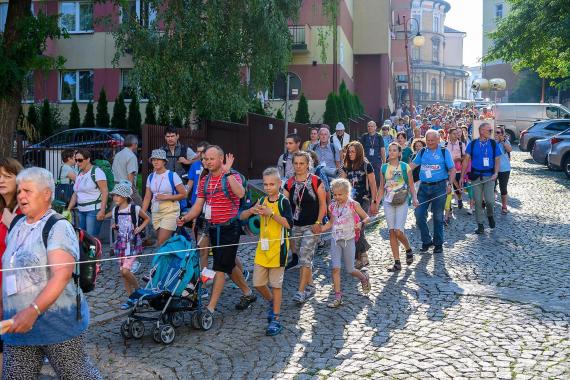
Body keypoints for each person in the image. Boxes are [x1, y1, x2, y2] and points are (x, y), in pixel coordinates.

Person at [2, 167, 102, 379]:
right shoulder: (17, 224)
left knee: (77, 374)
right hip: (17, 327)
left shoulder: (57, 226)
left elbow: (62, 275)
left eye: (27, 190)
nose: (21, 195)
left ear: (47, 193)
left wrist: (33, 310)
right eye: (19, 191)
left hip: (56, 325)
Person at [177, 146, 257, 315]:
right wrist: (186, 218)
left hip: (230, 228)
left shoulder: (232, 175)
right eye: (205, 159)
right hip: (213, 228)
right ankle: (248, 293)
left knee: (220, 267)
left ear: (221, 159)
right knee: (229, 264)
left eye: (211, 159)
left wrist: (227, 173)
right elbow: (198, 206)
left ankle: (210, 307)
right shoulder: (204, 180)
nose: (207, 162)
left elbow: (241, 193)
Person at [239, 167, 293, 336]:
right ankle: (271, 301)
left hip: (279, 250)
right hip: (263, 249)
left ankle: (276, 319)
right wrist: (251, 211)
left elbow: (289, 224)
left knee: (276, 285)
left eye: (272, 184)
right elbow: (242, 217)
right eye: (265, 184)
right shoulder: (261, 199)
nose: (268, 187)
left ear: (279, 184)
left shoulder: (284, 202)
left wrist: (271, 214)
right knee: (258, 283)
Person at [283, 151, 326, 304]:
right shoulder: (289, 183)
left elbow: (323, 204)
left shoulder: (316, 181)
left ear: (308, 164)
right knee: (305, 258)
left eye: (302, 163)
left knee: (304, 258)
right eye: (296, 163)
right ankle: (311, 286)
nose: (299, 166)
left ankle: (301, 292)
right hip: (296, 226)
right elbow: (284, 204)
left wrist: (319, 222)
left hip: (311, 226)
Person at [321, 178, 371, 308]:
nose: (337, 197)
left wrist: (361, 223)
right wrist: (319, 229)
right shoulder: (332, 206)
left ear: (347, 193)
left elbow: (367, 217)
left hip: (348, 240)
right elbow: (331, 223)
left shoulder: (353, 204)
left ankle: (363, 278)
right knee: (335, 268)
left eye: (340, 194)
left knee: (350, 269)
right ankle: (338, 297)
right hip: (335, 240)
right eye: (335, 194)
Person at [409, 130, 457, 254]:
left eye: (432, 140)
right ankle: (426, 240)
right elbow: (412, 166)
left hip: (439, 187)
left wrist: (450, 184)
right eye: (428, 140)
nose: (430, 143)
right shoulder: (422, 151)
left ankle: (438, 243)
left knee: (437, 217)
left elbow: (452, 170)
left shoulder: (444, 151)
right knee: (419, 214)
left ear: (438, 140)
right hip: (424, 187)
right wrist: (399, 171)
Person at [106, 182, 150, 309]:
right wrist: (115, 227)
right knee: (123, 272)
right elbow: (119, 225)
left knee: (126, 270)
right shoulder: (115, 210)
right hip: (121, 244)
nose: (114, 198)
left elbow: (147, 219)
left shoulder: (134, 209)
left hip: (132, 243)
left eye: (117, 196)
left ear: (125, 196)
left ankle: (138, 291)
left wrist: (139, 228)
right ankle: (131, 297)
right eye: (114, 195)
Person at [377, 142, 419, 271]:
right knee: (391, 231)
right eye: (390, 150)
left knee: (398, 231)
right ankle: (397, 262)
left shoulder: (405, 167)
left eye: (394, 150)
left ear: (399, 153)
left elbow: (411, 185)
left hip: (402, 201)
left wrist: (415, 198)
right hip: (388, 202)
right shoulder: (384, 168)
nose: (391, 152)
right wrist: (376, 203)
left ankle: (408, 248)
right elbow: (381, 188)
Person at [0, 158, 23, 369]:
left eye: (7, 176)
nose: (1, 180)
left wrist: (12, 222)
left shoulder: (22, 209)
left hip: (13, 282)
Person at [461, 122, 502, 234]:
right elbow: (466, 160)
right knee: (478, 202)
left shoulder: (493, 144)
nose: (491, 132)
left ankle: (490, 215)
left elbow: (498, 159)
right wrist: (462, 176)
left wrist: (496, 173)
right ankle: (480, 225)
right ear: (481, 131)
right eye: (489, 130)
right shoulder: (473, 144)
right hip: (476, 176)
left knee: (489, 201)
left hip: (489, 176)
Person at [142, 149, 187, 247]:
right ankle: (172, 260)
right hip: (156, 211)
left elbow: (184, 194)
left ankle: (160, 262)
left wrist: (166, 197)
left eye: (159, 159)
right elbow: (147, 196)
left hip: (170, 210)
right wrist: (142, 213)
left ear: (164, 161)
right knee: (165, 243)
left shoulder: (172, 175)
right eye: (153, 159)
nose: (156, 161)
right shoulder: (150, 177)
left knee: (161, 242)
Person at [67, 149, 108, 237]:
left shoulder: (97, 172)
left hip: (94, 209)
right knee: (83, 237)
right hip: (81, 210)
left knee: (91, 238)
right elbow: (76, 193)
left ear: (88, 159)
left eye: (80, 160)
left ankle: (94, 251)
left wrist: (102, 210)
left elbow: (105, 191)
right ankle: (88, 251)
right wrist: (68, 209)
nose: (77, 163)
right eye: (76, 160)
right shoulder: (79, 173)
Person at [187, 142, 210, 272]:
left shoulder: (213, 167)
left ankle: (240, 271)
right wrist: (183, 193)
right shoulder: (195, 165)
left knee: (222, 250)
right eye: (198, 152)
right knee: (201, 247)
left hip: (213, 210)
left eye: (202, 152)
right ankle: (203, 282)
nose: (199, 155)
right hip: (197, 206)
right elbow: (190, 183)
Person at [112, 135, 141, 205]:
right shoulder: (131, 156)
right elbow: (131, 174)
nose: (137, 146)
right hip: (126, 185)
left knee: (118, 208)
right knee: (140, 206)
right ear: (134, 144)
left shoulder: (118, 154)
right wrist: (130, 189)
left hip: (116, 185)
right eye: (136, 144)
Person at [359, 121, 386, 187]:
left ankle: (377, 194)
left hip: (377, 161)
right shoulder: (364, 136)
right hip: (366, 161)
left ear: (375, 127)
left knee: (377, 179)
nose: (370, 128)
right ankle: (368, 194)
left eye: (372, 126)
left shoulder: (379, 137)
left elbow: (382, 150)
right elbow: (360, 149)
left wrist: (384, 163)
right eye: (368, 126)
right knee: (366, 178)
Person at [445, 127, 466, 209]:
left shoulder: (461, 144)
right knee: (449, 187)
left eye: (457, 134)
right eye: (454, 133)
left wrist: (458, 159)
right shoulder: (445, 144)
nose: (456, 135)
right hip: (448, 170)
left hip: (458, 169)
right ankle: (448, 208)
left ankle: (460, 198)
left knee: (458, 188)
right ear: (449, 135)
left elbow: (465, 156)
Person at [494, 126, 512, 214]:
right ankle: (490, 202)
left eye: (498, 133)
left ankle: (504, 206)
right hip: (493, 169)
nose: (496, 134)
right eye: (495, 132)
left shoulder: (505, 142)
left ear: (502, 134)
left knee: (503, 188)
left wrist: (503, 141)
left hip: (504, 169)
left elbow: (510, 149)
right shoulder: (492, 142)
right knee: (491, 187)